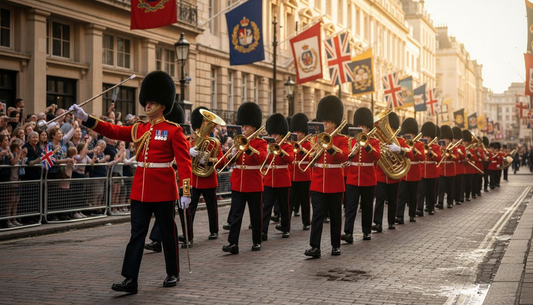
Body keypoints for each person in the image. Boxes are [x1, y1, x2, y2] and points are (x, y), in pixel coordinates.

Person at [69, 71, 192, 293]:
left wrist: (185, 190)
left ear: (162, 105)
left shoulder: (173, 131)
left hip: (164, 190)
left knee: (167, 233)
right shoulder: (139, 128)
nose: (147, 105)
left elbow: (184, 163)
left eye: (152, 102)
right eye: (146, 101)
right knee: (136, 235)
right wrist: (86, 118)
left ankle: (172, 272)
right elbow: (112, 129)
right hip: (140, 191)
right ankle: (130, 279)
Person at [304, 96, 349, 258]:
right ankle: (315, 246)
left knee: (336, 216)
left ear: (335, 123)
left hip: (335, 182)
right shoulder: (315, 138)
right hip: (318, 182)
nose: (325, 124)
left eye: (328, 122)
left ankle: (335, 246)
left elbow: (343, 156)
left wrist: (330, 147)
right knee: (317, 216)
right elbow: (310, 158)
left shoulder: (342, 139)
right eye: (323, 121)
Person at [222, 102, 267, 254]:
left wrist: (247, 149)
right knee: (236, 215)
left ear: (254, 127)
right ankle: (233, 243)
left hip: (254, 182)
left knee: (255, 215)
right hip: (238, 182)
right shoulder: (237, 141)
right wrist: (233, 151)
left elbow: (261, 158)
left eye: (247, 126)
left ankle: (256, 241)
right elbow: (229, 161)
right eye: (243, 126)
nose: (244, 129)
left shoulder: (261, 142)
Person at [180, 106, 226, 247]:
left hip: (208, 179)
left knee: (211, 207)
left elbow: (222, 161)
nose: (200, 131)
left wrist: (207, 159)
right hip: (193, 180)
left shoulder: (213, 143)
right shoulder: (189, 142)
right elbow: (180, 158)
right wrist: (188, 152)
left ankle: (214, 230)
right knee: (190, 208)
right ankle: (188, 235)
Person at [342, 107, 380, 242]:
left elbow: (377, 156)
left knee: (367, 206)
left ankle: (366, 231)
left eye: (363, 126)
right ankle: (348, 232)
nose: (361, 129)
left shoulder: (374, 141)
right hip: (353, 177)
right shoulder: (350, 141)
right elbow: (346, 156)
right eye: (358, 126)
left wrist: (367, 145)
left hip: (368, 178)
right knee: (350, 206)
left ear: (368, 128)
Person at [373, 111, 412, 232]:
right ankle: (378, 223)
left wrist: (399, 149)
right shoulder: (378, 140)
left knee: (392, 199)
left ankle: (391, 221)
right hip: (381, 174)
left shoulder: (399, 141)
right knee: (379, 199)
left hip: (394, 175)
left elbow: (410, 153)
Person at [261, 114, 294, 240]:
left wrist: (280, 151)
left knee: (284, 206)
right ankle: (263, 230)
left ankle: (285, 228)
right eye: (272, 134)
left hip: (282, 180)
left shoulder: (287, 146)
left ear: (281, 134)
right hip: (269, 179)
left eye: (276, 135)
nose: (273, 137)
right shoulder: (267, 145)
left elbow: (290, 159)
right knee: (267, 206)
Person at [397, 118, 424, 223]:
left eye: (410, 134)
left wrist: (414, 150)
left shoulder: (419, 144)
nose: (408, 136)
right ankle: (400, 216)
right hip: (404, 172)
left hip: (414, 173)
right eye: (406, 134)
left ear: (414, 134)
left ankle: (412, 214)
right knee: (402, 195)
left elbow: (422, 158)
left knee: (413, 195)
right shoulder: (402, 143)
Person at [288, 113, 312, 231]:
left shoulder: (308, 143)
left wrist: (301, 149)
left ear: (303, 132)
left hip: (304, 175)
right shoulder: (291, 143)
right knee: (289, 202)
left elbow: (309, 157)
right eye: (295, 132)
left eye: (299, 132)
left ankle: (306, 222)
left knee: (305, 201)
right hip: (292, 174)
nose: (297, 135)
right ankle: (285, 224)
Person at [416, 122, 441, 216]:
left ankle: (431, 208)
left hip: (431, 172)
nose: (426, 138)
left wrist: (431, 153)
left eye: (428, 137)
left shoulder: (435, 147)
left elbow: (438, 158)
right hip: (422, 171)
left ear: (432, 137)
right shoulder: (420, 146)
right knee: (421, 191)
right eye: (425, 136)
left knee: (431, 191)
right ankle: (419, 208)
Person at [436, 125, 458, 209]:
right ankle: (440, 202)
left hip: (450, 170)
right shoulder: (440, 147)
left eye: (447, 139)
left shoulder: (453, 148)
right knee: (441, 187)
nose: (445, 140)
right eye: (444, 138)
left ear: (449, 139)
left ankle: (449, 202)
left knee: (450, 188)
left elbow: (457, 158)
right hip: (442, 170)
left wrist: (450, 154)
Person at [452, 127, 466, 205]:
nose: (455, 140)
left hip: (460, 168)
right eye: (454, 138)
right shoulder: (451, 147)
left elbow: (464, 157)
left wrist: (460, 153)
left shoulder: (462, 147)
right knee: (453, 185)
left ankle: (458, 198)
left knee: (459, 184)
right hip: (453, 168)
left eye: (457, 139)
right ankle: (453, 197)